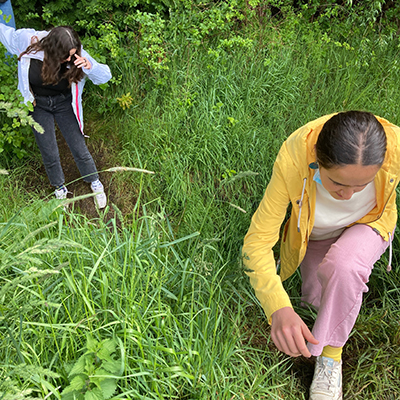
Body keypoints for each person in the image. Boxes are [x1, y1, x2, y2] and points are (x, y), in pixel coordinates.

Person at [242, 111, 400, 399]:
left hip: (369, 224)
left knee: (345, 267)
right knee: (315, 305)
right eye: (337, 184)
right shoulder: (293, 157)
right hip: (316, 233)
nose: (349, 195)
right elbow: (257, 243)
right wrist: (278, 308)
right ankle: (320, 340)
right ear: (316, 157)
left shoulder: (396, 147)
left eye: (361, 186)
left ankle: (330, 357)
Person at [0, 24, 112, 208]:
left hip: (64, 104)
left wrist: (90, 66)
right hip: (39, 106)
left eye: (72, 54)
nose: (69, 59)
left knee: (78, 146)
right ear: (52, 49)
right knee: (49, 150)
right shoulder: (28, 41)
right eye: (65, 56)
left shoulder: (77, 54)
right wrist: (27, 97)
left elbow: (105, 77)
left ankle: (94, 181)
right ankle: (59, 188)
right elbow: (5, 33)